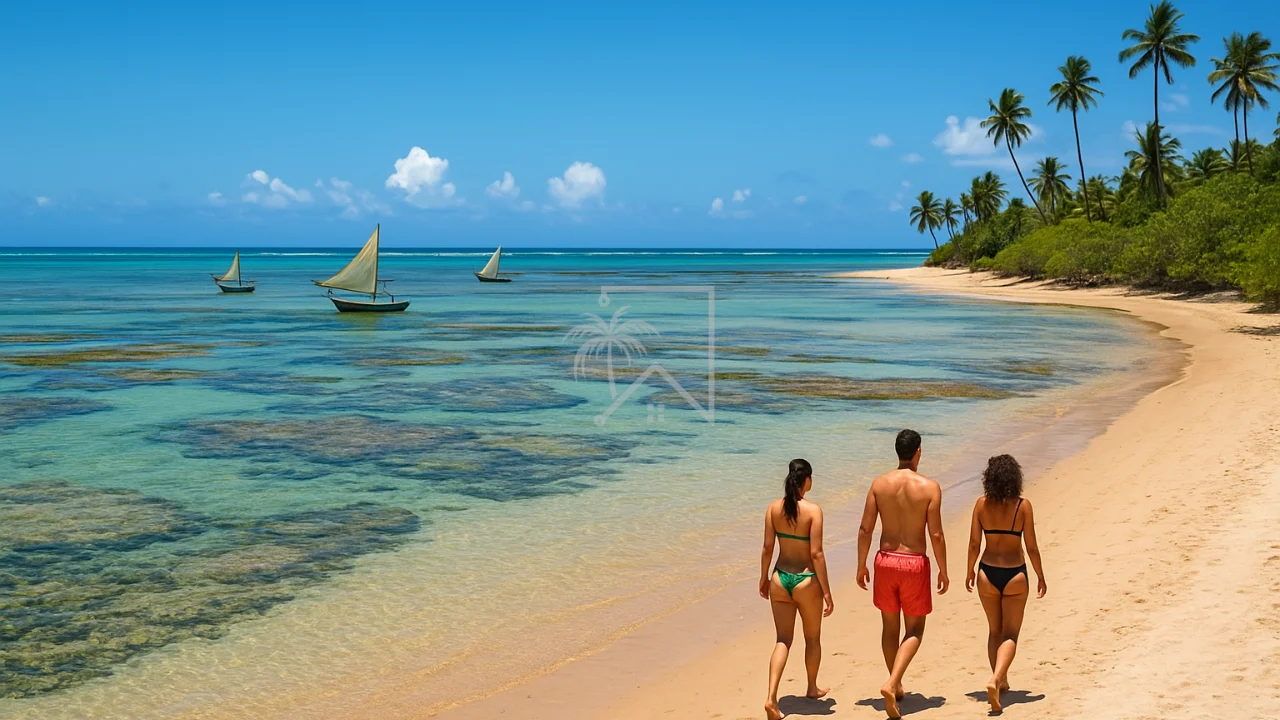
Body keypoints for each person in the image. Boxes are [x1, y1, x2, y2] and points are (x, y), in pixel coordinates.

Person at [856, 429, 948, 719]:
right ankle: (893, 682)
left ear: (897, 451)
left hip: (885, 562)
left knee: (889, 627)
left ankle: (894, 684)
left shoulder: (879, 484)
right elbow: (936, 533)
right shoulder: (930, 488)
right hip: (914, 563)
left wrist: (861, 564)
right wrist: (943, 569)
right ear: (918, 451)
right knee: (915, 630)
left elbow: (865, 529)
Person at [965, 454, 1047, 713]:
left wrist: (969, 570)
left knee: (994, 631)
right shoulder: (1023, 506)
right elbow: (1031, 547)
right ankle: (997, 679)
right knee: (1010, 634)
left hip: (987, 572)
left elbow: (975, 544)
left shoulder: (981, 504)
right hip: (1015, 574)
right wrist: (1040, 575)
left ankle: (1000, 680)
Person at [760, 458, 834, 720]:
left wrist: (763, 577)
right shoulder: (813, 511)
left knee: (783, 640)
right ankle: (812, 687)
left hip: (779, 578)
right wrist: (827, 592)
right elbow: (816, 553)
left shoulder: (773, 508)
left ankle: (771, 697)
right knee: (812, 638)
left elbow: (767, 548)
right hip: (806, 580)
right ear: (807, 481)